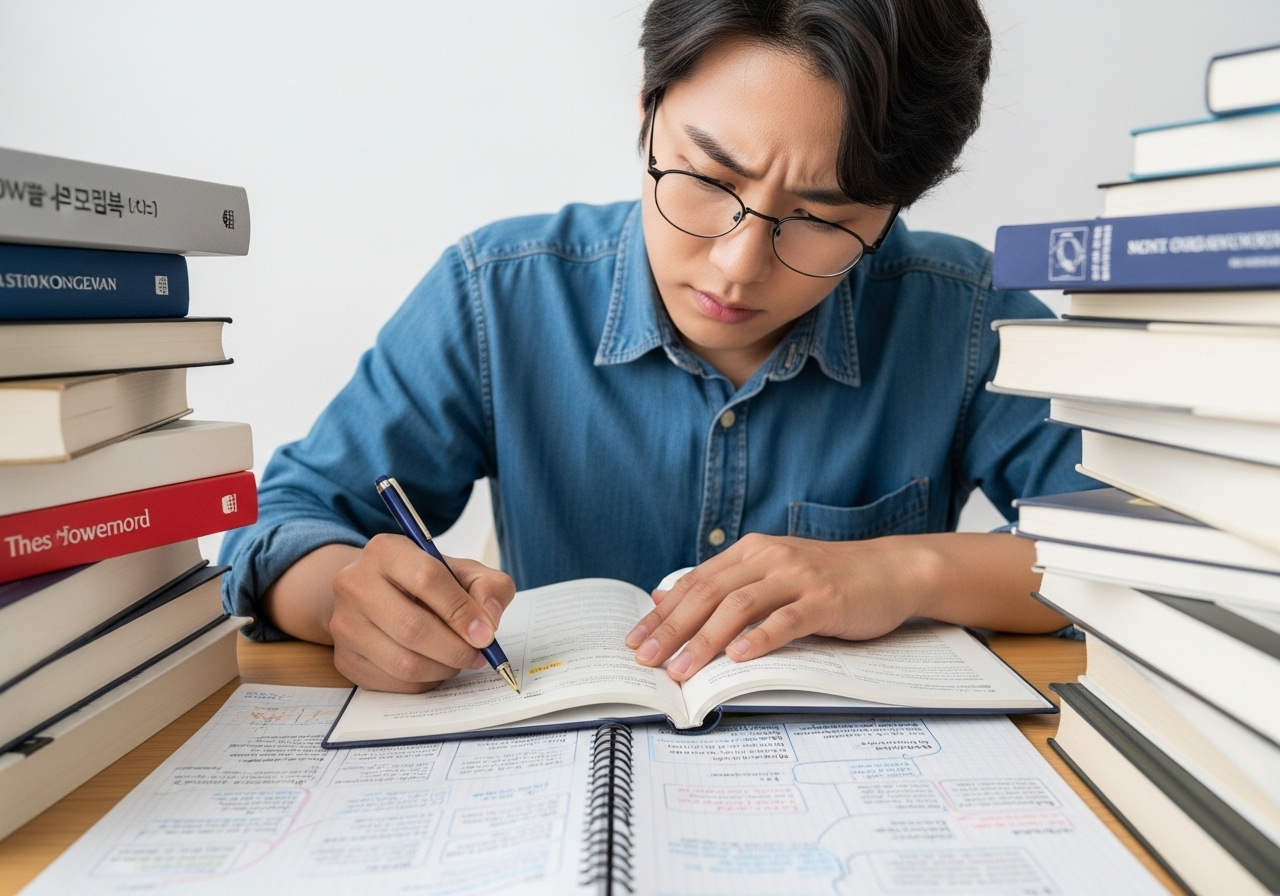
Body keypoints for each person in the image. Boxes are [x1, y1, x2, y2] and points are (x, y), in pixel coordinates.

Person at [220, 0, 1094, 693]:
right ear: (647, 113)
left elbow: (1149, 555)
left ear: (894, 212)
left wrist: (904, 570)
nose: (738, 264)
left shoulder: (966, 317)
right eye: (708, 180)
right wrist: (345, 602)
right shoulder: (499, 293)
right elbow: (278, 522)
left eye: (824, 222)